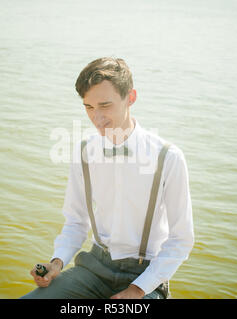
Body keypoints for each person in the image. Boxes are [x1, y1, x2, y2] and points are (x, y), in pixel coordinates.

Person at [20, 57, 194, 299]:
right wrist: (57, 262)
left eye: (105, 105)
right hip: (93, 268)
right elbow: (76, 222)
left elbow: (181, 239)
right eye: (89, 107)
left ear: (130, 97)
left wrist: (138, 289)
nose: (97, 118)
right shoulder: (84, 152)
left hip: (146, 276)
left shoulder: (168, 158)